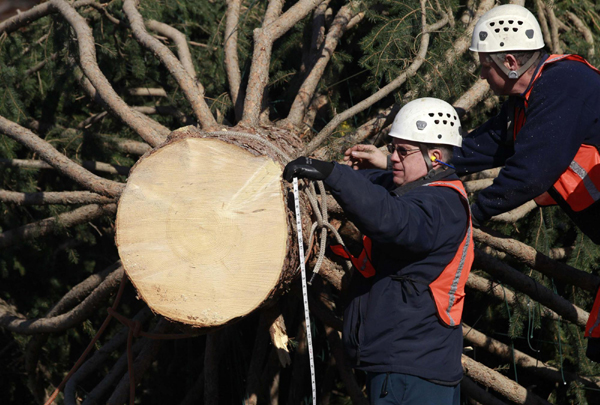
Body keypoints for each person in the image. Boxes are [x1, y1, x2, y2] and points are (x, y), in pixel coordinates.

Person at [346, 4, 600, 362]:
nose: (482, 76)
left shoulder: (564, 83)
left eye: (485, 66)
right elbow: (471, 150)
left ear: (511, 61)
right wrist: (393, 161)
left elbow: (531, 172)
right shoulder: (525, 101)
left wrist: (470, 214)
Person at [284, 98, 473, 404]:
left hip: (409, 374)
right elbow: (389, 187)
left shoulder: (440, 205)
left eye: (402, 151)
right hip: (412, 365)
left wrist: (334, 174)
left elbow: (391, 218)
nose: (393, 158)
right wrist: (368, 170)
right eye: (392, 148)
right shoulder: (434, 190)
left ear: (435, 157)